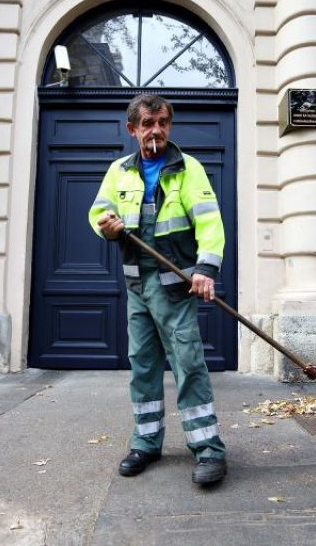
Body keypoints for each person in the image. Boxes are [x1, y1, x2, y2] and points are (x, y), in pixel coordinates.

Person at [88, 93, 228, 485]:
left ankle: (209, 449)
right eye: (148, 124)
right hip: (137, 282)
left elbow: (210, 224)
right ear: (133, 130)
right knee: (143, 365)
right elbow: (98, 210)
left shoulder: (188, 169)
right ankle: (145, 443)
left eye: (163, 123)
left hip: (176, 284)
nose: (156, 131)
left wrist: (204, 269)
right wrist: (106, 223)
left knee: (188, 364)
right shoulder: (119, 171)